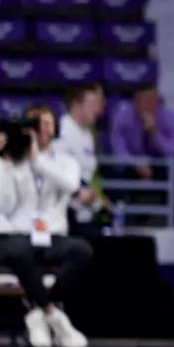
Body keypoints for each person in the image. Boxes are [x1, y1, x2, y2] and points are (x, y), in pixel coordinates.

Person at [0, 106, 93, 347]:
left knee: (82, 250)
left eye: (49, 123)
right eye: (38, 124)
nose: (45, 129)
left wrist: (38, 160)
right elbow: (4, 207)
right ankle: (54, 315)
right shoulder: (8, 161)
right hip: (11, 235)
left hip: (49, 236)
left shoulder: (66, 162)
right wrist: (6, 164)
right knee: (20, 250)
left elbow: (70, 185)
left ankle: (37, 313)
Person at [58, 83, 107, 238]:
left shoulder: (87, 134)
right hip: (64, 216)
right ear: (76, 106)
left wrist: (98, 200)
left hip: (85, 214)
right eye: (92, 104)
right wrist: (81, 192)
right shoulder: (62, 131)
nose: (98, 110)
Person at [109, 83, 174, 179]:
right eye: (142, 101)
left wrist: (155, 134)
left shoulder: (170, 118)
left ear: (157, 101)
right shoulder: (122, 116)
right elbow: (119, 149)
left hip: (161, 166)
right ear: (135, 101)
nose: (146, 106)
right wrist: (136, 164)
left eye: (150, 101)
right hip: (132, 165)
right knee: (115, 170)